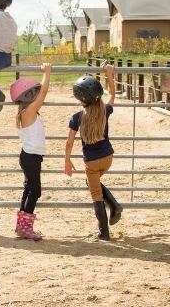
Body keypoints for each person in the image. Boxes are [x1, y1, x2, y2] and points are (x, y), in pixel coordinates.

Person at [65, 64, 122, 241]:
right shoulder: (104, 110)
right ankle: (114, 205)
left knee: (96, 195)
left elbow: (69, 142)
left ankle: (104, 233)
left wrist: (67, 160)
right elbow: (112, 94)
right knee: (93, 183)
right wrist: (109, 74)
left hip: (91, 162)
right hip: (108, 158)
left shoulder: (77, 118)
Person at [10, 63, 51, 240]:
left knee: (29, 189)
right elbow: (43, 93)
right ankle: (26, 229)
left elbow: (40, 95)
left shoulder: (26, 111)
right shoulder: (29, 111)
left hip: (30, 156)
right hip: (31, 157)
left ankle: (21, 227)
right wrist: (47, 73)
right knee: (35, 191)